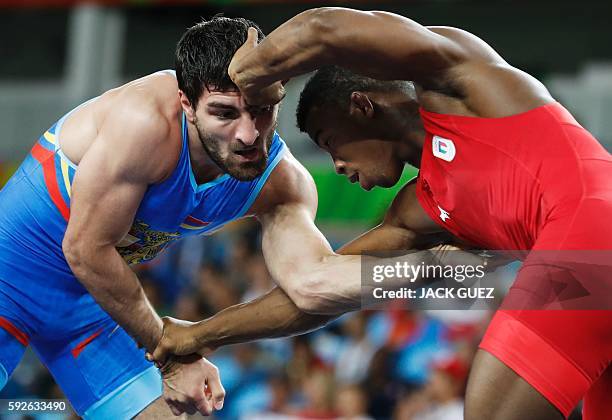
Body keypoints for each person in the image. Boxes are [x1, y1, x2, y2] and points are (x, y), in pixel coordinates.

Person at [149, 7, 612, 420]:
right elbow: (317, 293)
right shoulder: (420, 213)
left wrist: (248, 72)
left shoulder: (462, 84)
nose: (339, 168)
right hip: (591, 280)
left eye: (332, 143)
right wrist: (203, 333)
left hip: (594, 238)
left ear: (362, 106)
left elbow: (322, 28)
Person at [0, 14, 468, 419]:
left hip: (96, 312)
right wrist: (172, 358)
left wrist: (432, 268)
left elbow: (311, 286)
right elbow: (84, 249)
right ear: (186, 103)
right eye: (224, 113)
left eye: (263, 111)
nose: (249, 135)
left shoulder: (281, 183)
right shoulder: (143, 124)